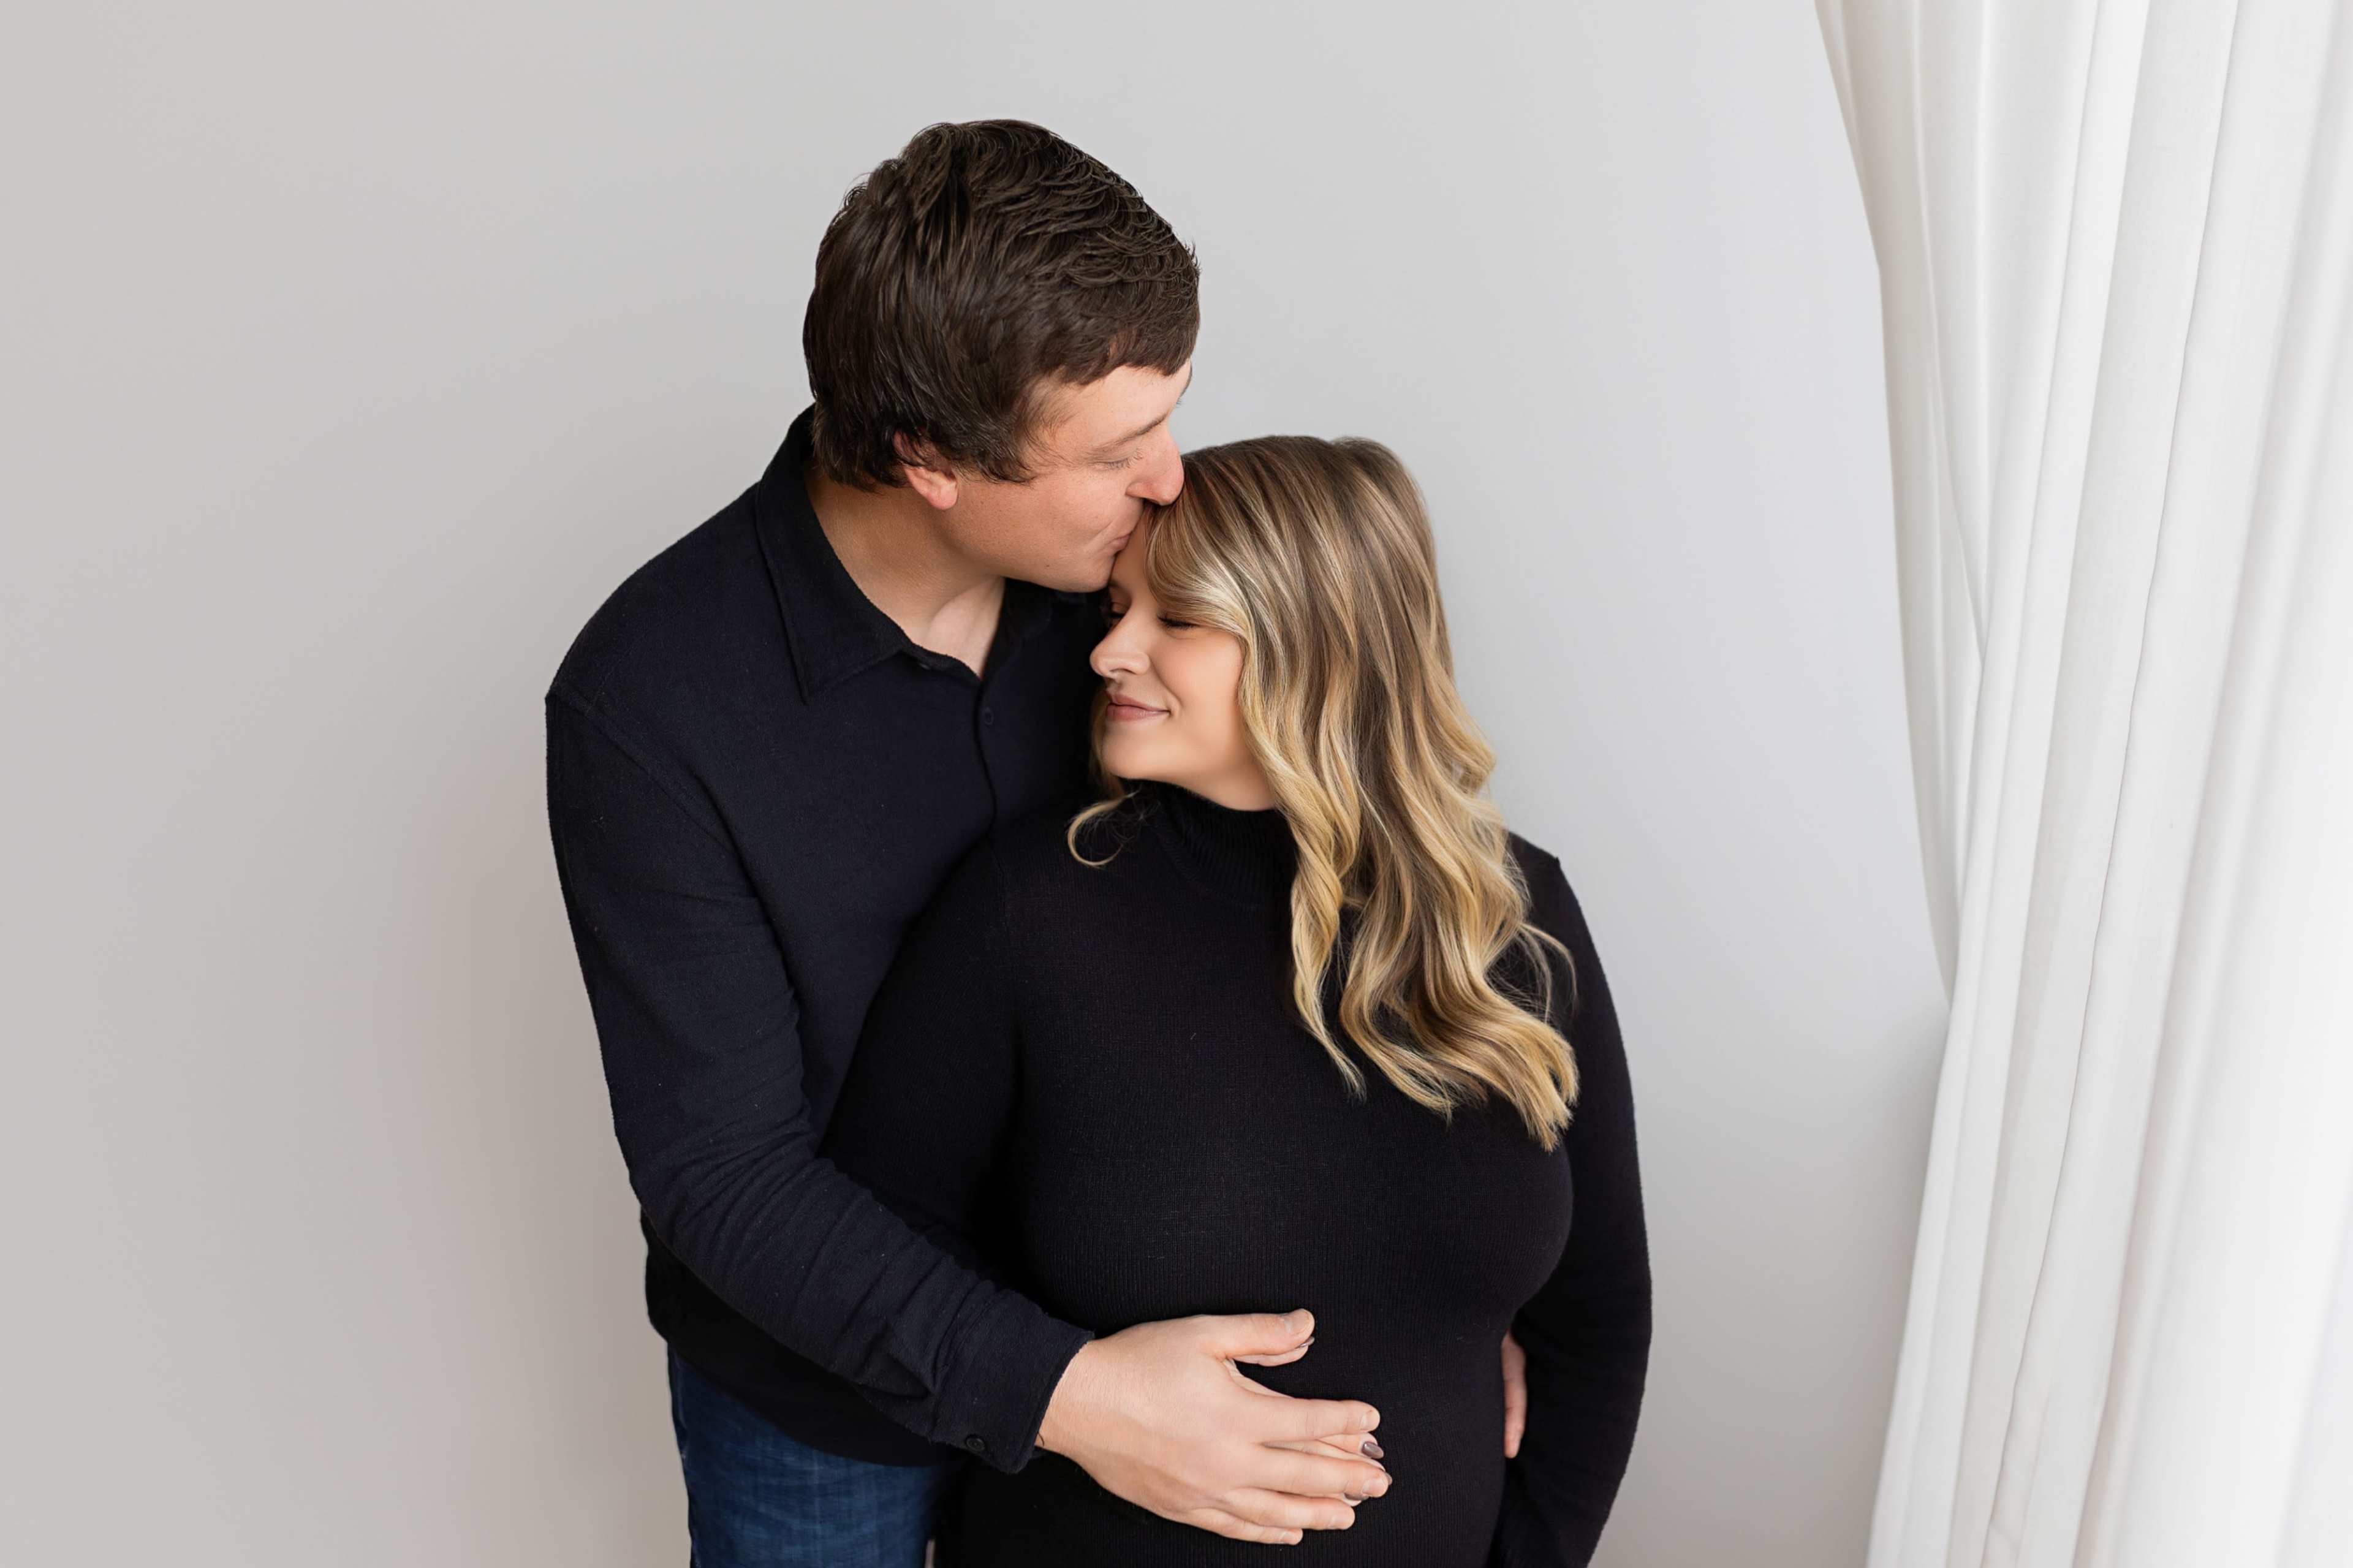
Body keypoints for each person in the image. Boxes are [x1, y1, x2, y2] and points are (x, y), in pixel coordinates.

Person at [546, 120, 1509, 1567]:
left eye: (1170, 418)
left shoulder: (1141, 615)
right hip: (826, 1408)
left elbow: (1321, 892)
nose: (1173, 482)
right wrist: (1074, 1396)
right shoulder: (649, 702)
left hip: (1152, 1337)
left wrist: (1450, 1304)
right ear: (932, 458)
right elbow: (723, 1177)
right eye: (1120, 449)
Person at [822, 436, 1653, 1566]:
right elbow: (880, 1247)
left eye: (1178, 619)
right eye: (1120, 605)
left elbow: (1598, 1322)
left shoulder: (1510, 914)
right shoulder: (1031, 912)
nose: (1110, 648)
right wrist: (1071, 1396)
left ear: (1320, 644)